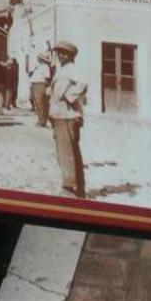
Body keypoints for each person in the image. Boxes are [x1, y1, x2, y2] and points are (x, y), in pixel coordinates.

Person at [48, 41, 89, 197]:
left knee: (66, 152)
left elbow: (83, 83)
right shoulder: (62, 70)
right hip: (61, 114)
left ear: (71, 56)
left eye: (64, 53)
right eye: (58, 52)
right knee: (71, 151)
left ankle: (69, 188)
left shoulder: (72, 69)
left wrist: (69, 96)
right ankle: (78, 188)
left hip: (67, 115)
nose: (60, 55)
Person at [28, 44, 53, 127]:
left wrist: (44, 88)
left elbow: (47, 78)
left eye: (39, 57)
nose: (37, 58)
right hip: (35, 85)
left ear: (42, 59)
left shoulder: (45, 67)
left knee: (41, 104)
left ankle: (42, 121)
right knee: (37, 104)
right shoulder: (38, 66)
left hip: (40, 85)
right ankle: (40, 120)